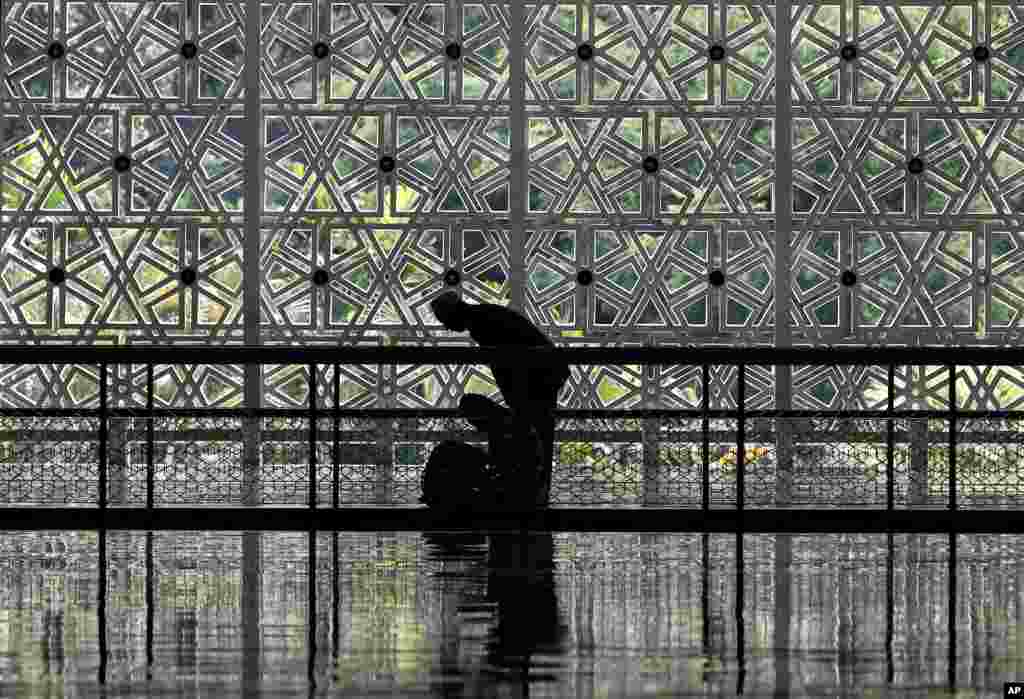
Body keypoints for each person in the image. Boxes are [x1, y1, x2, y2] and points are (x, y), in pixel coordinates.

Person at [429, 292, 570, 507]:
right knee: (541, 431)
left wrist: (515, 398)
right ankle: (538, 491)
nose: (447, 328)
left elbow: (505, 364)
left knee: (538, 430)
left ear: (453, 313)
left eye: (445, 321)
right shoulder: (484, 315)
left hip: (540, 377)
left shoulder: (480, 323)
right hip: (546, 373)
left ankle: (536, 492)